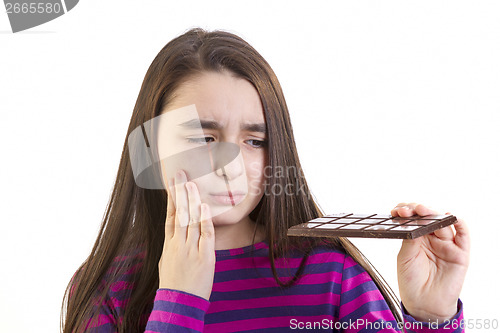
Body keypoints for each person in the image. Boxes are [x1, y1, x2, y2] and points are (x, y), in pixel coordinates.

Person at [61, 28, 470, 333]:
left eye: (255, 140)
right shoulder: (105, 287)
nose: (231, 166)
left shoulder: (334, 280)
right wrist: (178, 304)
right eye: (205, 137)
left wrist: (432, 317)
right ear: (149, 146)